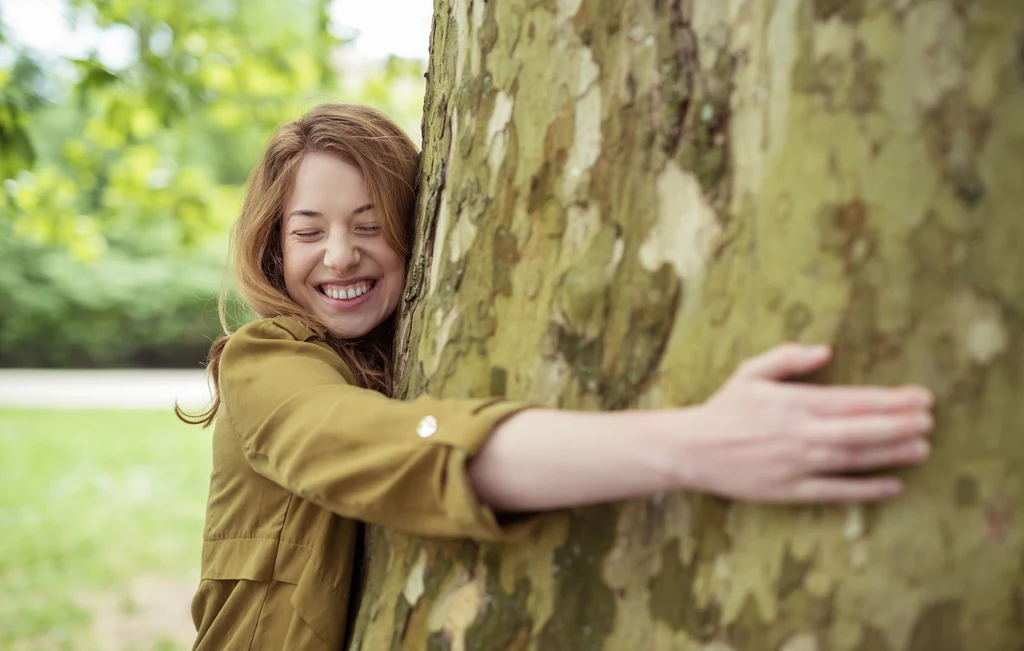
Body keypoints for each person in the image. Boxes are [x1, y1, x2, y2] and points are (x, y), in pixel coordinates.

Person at [179, 103, 934, 650]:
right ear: (275, 251)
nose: (340, 254)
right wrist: (699, 443)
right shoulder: (264, 364)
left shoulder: (407, 355)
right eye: (309, 231)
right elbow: (368, 442)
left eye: (371, 224)